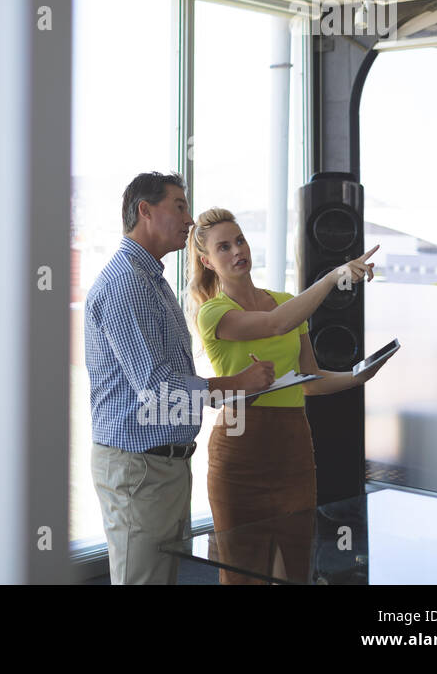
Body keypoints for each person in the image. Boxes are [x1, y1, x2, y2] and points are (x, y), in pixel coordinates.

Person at [86, 172, 276, 585]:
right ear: (145, 211)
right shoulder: (127, 283)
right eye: (179, 206)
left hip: (161, 466)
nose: (190, 220)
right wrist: (236, 385)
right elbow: (158, 390)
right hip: (140, 468)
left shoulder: (150, 279)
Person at [186, 207, 383, 584]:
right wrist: (331, 278)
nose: (236, 251)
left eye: (239, 240)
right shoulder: (213, 312)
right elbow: (276, 323)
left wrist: (356, 377)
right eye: (223, 247)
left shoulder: (286, 300)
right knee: (242, 572)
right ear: (207, 261)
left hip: (293, 449)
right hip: (240, 453)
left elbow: (310, 380)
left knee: (294, 569)